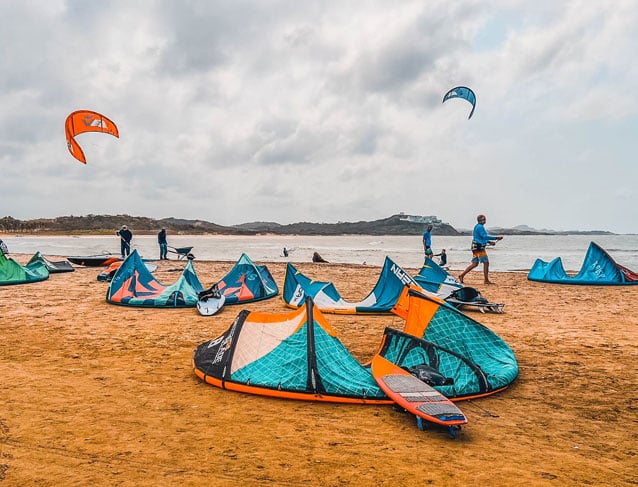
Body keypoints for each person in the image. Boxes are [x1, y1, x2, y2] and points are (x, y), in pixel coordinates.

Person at [458, 214, 503, 284]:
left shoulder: (477, 226)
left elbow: (480, 237)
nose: (485, 221)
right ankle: (486, 280)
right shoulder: (480, 227)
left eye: (485, 219)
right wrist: (496, 238)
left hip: (475, 246)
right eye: (483, 219)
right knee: (486, 263)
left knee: (475, 264)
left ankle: (462, 275)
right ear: (480, 220)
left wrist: (489, 242)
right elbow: (484, 236)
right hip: (479, 248)